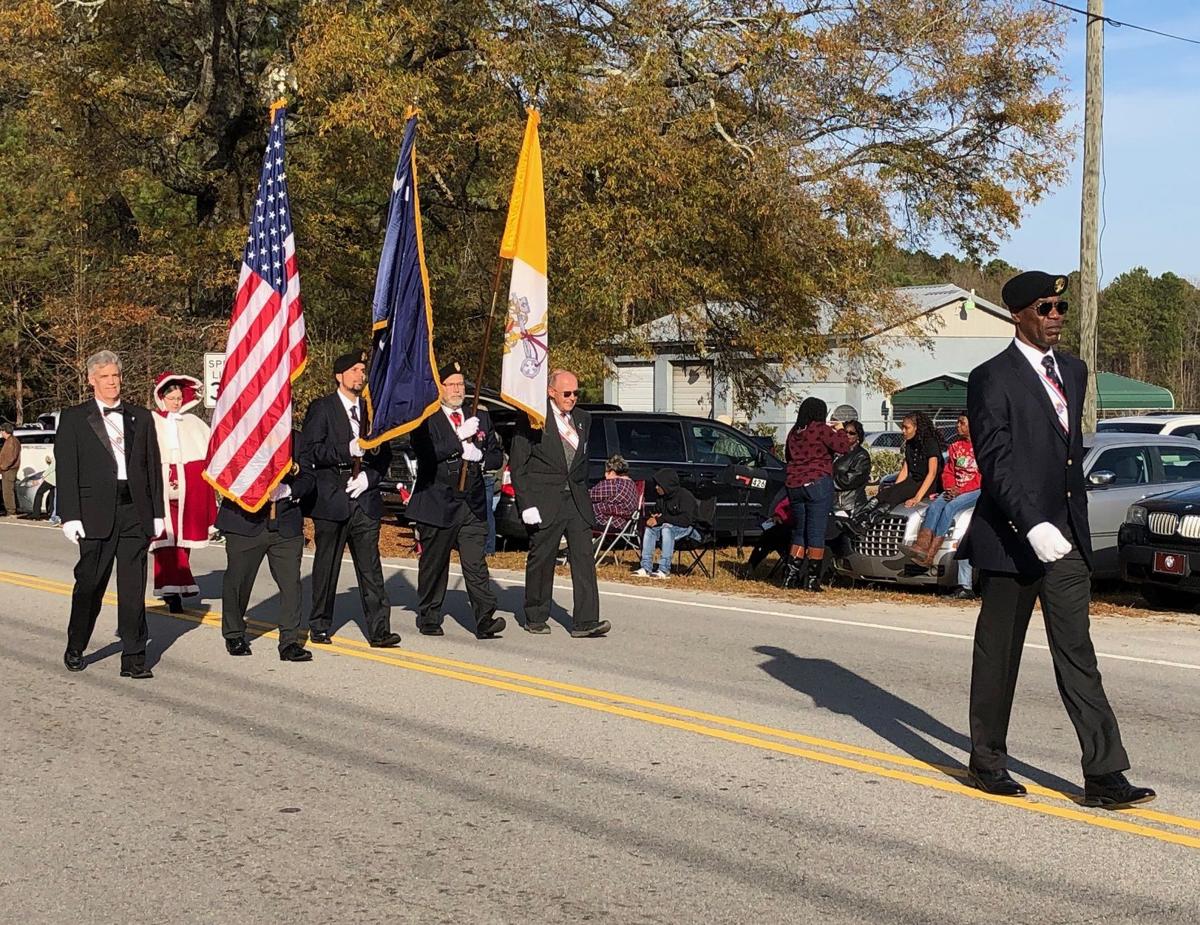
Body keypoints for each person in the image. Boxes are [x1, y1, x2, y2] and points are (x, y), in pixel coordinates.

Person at [958, 270, 1154, 808]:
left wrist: (1061, 524)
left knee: (1078, 653)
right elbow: (995, 461)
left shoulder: (1073, 369)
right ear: (1018, 315)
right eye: (1045, 308)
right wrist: (1031, 522)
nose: (1055, 318)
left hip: (1066, 538)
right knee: (999, 654)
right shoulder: (990, 377)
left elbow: (1067, 454)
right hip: (1012, 538)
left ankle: (1104, 773)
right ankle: (987, 761)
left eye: (1061, 309)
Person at [57, 350, 164, 679]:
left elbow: (152, 469)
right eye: (104, 377)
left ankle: (133, 657)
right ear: (92, 380)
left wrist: (157, 513)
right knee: (90, 584)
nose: (112, 383)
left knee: (133, 588)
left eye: (115, 376)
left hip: (134, 510)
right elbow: (67, 469)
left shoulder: (141, 418)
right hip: (94, 514)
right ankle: (77, 644)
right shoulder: (75, 418)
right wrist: (70, 515)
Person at [299, 351, 399, 648]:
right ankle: (319, 624)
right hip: (332, 496)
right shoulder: (323, 408)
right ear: (339, 376)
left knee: (370, 568)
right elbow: (311, 451)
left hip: (364, 498)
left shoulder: (373, 411)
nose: (360, 375)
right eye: (354, 370)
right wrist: (347, 450)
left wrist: (370, 477)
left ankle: (379, 630)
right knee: (327, 565)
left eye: (362, 369)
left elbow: (386, 453)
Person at [405, 361, 506, 639]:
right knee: (434, 564)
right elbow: (425, 454)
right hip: (437, 501)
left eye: (461, 384)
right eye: (451, 384)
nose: (457, 389)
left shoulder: (480, 416)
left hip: (471, 503)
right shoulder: (425, 418)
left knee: (475, 564)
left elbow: (497, 454)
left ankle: (485, 617)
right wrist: (457, 438)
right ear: (440, 388)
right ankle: (429, 615)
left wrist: (482, 456)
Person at [509, 368, 610, 637]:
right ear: (551, 392)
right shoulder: (533, 418)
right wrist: (526, 503)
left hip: (575, 500)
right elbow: (519, 465)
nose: (572, 397)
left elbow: (583, 461)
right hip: (544, 499)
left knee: (584, 558)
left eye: (576, 392)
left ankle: (586, 621)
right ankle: (536, 615)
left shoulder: (583, 419)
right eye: (567, 393)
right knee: (542, 558)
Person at [216, 446, 314, 662]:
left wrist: (288, 490)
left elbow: (309, 477)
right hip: (244, 521)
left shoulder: (296, 439)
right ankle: (234, 633)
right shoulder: (240, 434)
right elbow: (225, 469)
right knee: (238, 581)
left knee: (291, 585)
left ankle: (289, 641)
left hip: (285, 523)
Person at [148, 373, 217, 613]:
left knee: (183, 540)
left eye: (179, 398)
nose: (176, 402)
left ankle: (179, 585)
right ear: (161, 397)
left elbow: (208, 452)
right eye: (172, 397)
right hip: (162, 490)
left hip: (188, 490)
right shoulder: (151, 421)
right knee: (163, 541)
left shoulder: (193, 423)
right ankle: (170, 588)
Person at [905, 413, 980, 597]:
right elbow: (948, 471)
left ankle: (931, 552)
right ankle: (921, 546)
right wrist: (950, 487)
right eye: (957, 423)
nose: (958, 426)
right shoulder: (955, 447)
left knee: (950, 508)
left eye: (962, 423)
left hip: (975, 489)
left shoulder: (982, 448)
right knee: (936, 505)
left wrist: (961, 490)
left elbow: (982, 477)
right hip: (955, 487)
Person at [782, 397, 850, 591]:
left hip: (794, 484)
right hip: (817, 482)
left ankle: (790, 576)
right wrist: (841, 429)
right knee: (816, 532)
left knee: (799, 531)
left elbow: (788, 455)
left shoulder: (794, 432)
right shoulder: (821, 429)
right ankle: (812, 580)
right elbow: (843, 447)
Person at [847, 411, 943, 533]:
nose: (903, 431)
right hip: (913, 480)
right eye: (902, 427)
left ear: (917, 428)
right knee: (884, 494)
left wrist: (917, 498)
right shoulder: (910, 443)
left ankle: (866, 525)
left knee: (895, 496)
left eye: (906, 428)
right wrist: (895, 487)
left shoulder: (930, 443)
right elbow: (905, 469)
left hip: (928, 483)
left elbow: (932, 473)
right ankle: (857, 519)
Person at [633, 468, 697, 579]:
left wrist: (661, 519)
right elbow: (656, 512)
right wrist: (653, 516)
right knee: (650, 529)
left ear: (668, 485)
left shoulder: (685, 496)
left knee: (667, 529)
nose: (656, 488)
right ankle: (646, 567)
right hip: (667, 526)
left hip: (688, 530)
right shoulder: (661, 498)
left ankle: (664, 569)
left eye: (659, 485)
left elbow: (686, 520)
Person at [589, 454, 641, 525]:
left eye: (606, 472)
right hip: (624, 523)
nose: (605, 475)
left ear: (612, 472)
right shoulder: (631, 484)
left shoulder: (613, 484)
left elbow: (589, 496)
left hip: (608, 522)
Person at [832, 419, 871, 514]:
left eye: (852, 433)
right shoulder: (836, 452)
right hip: (832, 503)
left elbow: (849, 480)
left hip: (849, 506)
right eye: (845, 432)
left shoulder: (861, 455)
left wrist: (825, 480)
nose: (847, 435)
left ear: (858, 436)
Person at [0, 423, 20, 516]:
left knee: (7, 491)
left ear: (5, 431)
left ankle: (11, 511)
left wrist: (3, 466)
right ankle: (10, 510)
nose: (1, 433)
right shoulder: (11, 440)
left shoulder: (11, 442)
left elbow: (10, 457)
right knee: (8, 490)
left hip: (9, 470)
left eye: (2, 430)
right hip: (9, 469)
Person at [32, 452, 56, 520]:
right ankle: (52, 514)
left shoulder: (58, 453)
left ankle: (36, 514)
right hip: (56, 480)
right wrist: (50, 461)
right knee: (52, 496)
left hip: (50, 478)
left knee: (39, 493)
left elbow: (53, 467)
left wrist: (43, 475)